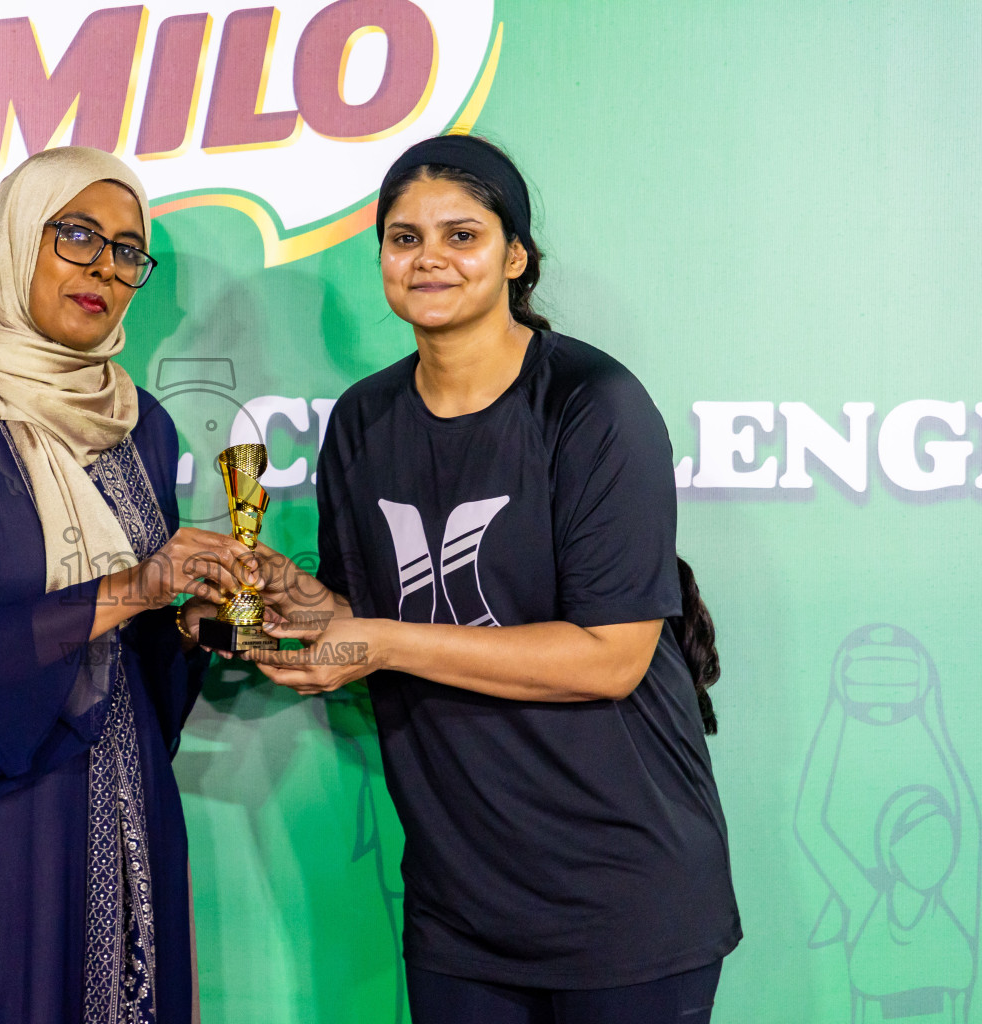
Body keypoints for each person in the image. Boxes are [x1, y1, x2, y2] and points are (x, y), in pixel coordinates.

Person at [243, 135, 742, 1024]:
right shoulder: (363, 420)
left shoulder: (592, 404)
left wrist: (374, 642)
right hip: (460, 905)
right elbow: (370, 613)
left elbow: (611, 657)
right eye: (404, 238)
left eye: (460, 234)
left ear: (515, 257)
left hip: (623, 899)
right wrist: (293, 603)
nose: (428, 256)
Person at [0, 146, 250, 1024]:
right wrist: (134, 585)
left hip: (127, 804)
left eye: (126, 250)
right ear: (14, 240)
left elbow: (138, 656)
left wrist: (194, 617)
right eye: (76, 235)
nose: (104, 269)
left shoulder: (143, 425)